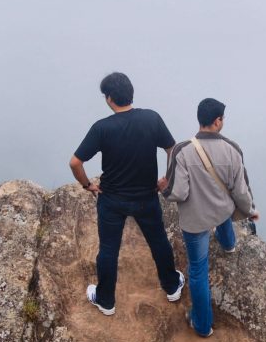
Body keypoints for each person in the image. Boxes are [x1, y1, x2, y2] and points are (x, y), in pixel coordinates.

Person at [70, 72, 185, 316]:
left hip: (112, 199)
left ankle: (106, 301)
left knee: (109, 249)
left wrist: (87, 185)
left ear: (110, 98)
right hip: (146, 197)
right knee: (158, 241)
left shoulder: (102, 128)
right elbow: (172, 149)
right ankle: (172, 286)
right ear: (130, 93)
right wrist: (167, 178)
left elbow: (75, 163)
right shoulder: (151, 119)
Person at [161, 98, 258, 337]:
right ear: (218, 121)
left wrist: (163, 187)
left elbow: (178, 192)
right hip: (222, 210)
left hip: (196, 220)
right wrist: (250, 210)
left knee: (198, 271)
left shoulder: (181, 151)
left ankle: (203, 326)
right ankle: (228, 244)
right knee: (223, 214)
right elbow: (240, 191)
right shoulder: (232, 149)